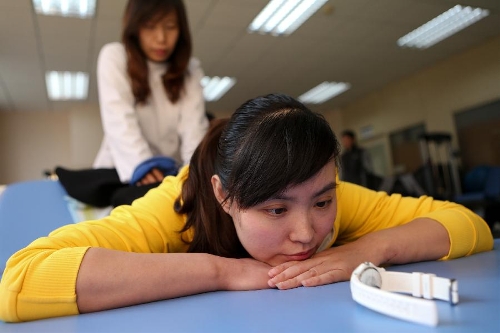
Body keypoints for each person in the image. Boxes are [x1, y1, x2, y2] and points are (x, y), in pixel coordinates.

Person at [0, 93, 493, 323]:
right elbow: (20, 280)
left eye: (321, 201)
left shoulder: (338, 203)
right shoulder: (176, 207)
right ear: (224, 196)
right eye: (275, 211)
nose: (307, 233)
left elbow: (469, 225)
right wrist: (224, 273)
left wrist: (362, 250)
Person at [93, 0, 208, 186]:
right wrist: (143, 168)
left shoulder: (190, 70)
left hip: (169, 177)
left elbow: (194, 132)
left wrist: (194, 177)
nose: (161, 38)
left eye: (170, 27)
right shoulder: (115, 57)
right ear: (134, 27)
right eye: (150, 26)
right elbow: (120, 121)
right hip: (122, 172)